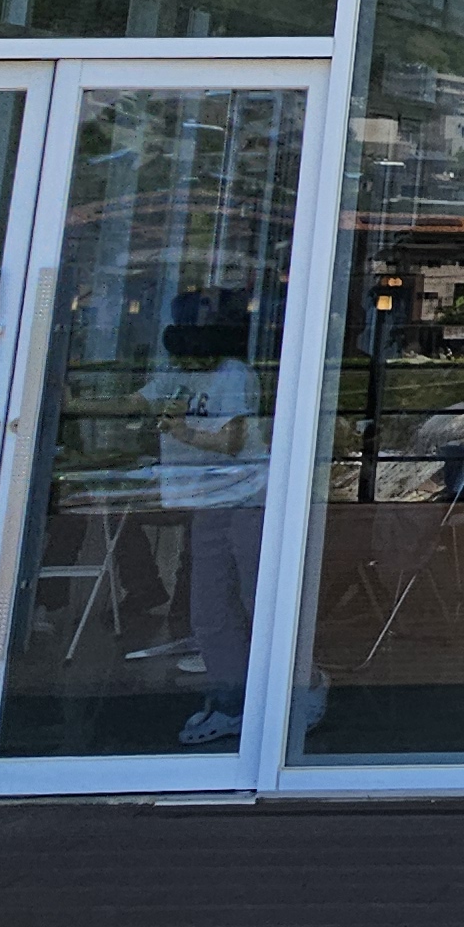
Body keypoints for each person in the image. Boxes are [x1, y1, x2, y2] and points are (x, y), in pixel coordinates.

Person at [144, 308, 268, 748]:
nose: (185, 366)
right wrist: (72, 404)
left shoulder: (234, 375)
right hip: (208, 497)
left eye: (190, 357)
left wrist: (182, 433)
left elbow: (233, 441)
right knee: (210, 607)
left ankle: (283, 690)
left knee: (255, 599)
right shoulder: (180, 375)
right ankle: (230, 698)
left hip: (247, 495)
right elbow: (139, 400)